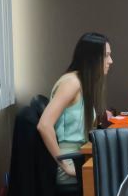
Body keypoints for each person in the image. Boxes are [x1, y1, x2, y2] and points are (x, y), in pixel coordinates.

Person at [37, 32, 113, 183]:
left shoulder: (81, 82)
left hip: (79, 157)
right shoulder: (72, 83)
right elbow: (44, 125)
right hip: (71, 163)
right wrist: (65, 166)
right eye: (106, 56)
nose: (110, 61)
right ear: (91, 58)